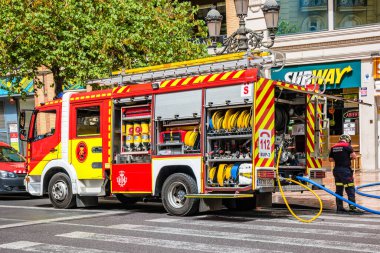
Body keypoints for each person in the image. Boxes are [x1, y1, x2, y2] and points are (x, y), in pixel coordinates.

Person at [329, 134, 364, 214]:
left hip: (337, 171)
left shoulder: (333, 147)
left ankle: (339, 207)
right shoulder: (347, 146)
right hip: (345, 171)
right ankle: (352, 208)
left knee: (339, 189)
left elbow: (330, 159)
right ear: (348, 140)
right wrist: (346, 158)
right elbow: (354, 157)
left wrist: (339, 158)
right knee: (350, 188)